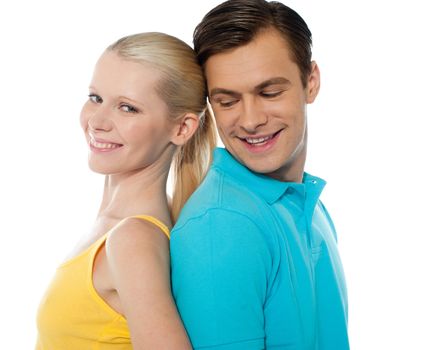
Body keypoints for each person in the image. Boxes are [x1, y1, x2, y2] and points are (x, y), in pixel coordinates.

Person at [170, 0, 349, 349]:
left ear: (310, 82)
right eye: (227, 101)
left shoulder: (307, 205)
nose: (250, 120)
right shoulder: (222, 224)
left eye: (269, 92)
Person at [36, 32, 216, 349]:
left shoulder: (133, 239)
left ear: (182, 128)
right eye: (95, 98)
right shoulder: (117, 229)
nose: (98, 120)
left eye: (128, 108)